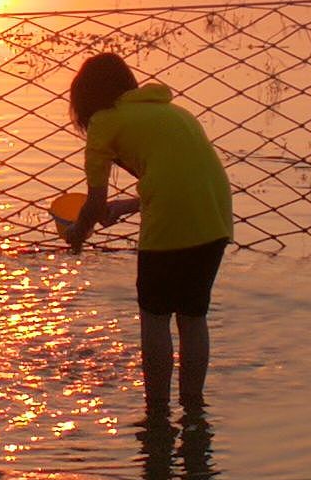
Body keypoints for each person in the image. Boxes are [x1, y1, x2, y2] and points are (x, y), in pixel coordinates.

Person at [64, 52, 232, 417]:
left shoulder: (104, 122)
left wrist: (77, 233)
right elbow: (180, 178)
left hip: (171, 223)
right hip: (216, 217)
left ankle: (156, 412)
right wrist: (128, 206)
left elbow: (94, 202)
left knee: (155, 315)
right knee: (192, 315)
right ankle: (193, 409)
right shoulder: (174, 113)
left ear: (86, 100)